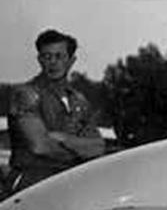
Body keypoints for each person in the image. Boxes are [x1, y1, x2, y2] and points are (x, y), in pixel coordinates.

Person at [6, 29, 104, 193]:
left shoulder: (79, 100)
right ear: (39, 59)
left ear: (71, 60)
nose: (53, 62)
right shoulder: (26, 94)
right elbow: (40, 146)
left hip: (68, 183)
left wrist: (64, 139)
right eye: (47, 56)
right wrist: (80, 151)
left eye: (59, 56)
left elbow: (98, 147)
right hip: (30, 183)